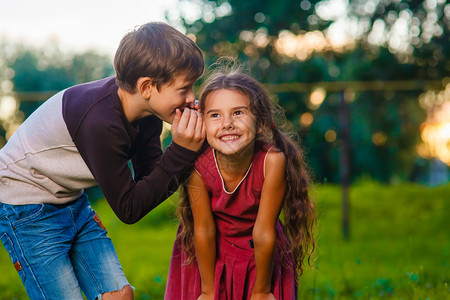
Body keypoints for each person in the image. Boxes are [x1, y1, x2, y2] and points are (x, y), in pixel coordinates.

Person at [0, 22, 205, 300]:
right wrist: (181, 151)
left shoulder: (146, 116)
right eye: (184, 88)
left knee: (119, 296)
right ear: (146, 87)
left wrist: (186, 151)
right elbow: (129, 209)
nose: (192, 98)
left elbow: (151, 183)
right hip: (25, 209)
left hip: (70, 200)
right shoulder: (101, 123)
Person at [165, 61, 316, 300]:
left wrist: (262, 291)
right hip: (207, 253)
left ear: (261, 124)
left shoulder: (272, 161)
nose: (227, 123)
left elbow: (264, 231)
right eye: (215, 115)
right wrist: (208, 291)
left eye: (238, 112)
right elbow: (203, 229)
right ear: (202, 123)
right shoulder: (197, 166)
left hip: (260, 254)